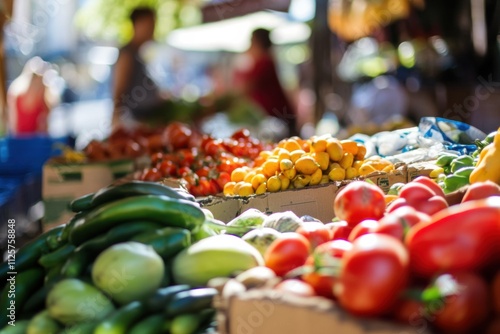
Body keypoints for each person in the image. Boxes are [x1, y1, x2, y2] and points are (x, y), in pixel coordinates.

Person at [111, 7, 168, 130]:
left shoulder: (139, 53)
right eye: (150, 24)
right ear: (137, 25)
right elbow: (119, 89)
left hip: (146, 119)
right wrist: (115, 117)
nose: (153, 29)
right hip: (134, 121)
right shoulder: (127, 54)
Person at [234, 28, 297, 136]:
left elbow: (245, 87)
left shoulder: (264, 62)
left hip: (278, 119)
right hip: (276, 117)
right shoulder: (264, 60)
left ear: (257, 42)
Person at [7, 57, 57, 135]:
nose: (37, 83)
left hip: (35, 143)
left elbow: (45, 131)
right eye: (34, 77)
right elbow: (13, 127)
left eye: (40, 78)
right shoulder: (17, 98)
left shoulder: (43, 103)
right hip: (19, 142)